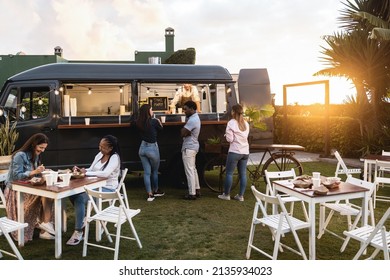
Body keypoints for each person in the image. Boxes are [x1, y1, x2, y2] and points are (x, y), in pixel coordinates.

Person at [67, 135, 121, 245]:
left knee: (80, 198)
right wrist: (81, 170)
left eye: (103, 147)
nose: (100, 148)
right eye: (99, 145)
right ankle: (83, 218)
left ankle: (78, 231)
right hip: (94, 185)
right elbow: (91, 169)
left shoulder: (115, 158)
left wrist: (86, 173)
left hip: (108, 188)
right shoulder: (100, 155)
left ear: (110, 148)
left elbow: (105, 174)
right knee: (72, 194)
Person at [4, 133, 55, 241]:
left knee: (49, 194)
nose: (42, 150)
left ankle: (45, 227)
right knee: (46, 195)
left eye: (44, 148)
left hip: (29, 187)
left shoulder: (35, 154)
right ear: (33, 144)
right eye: (41, 147)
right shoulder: (20, 155)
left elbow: (34, 175)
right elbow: (15, 176)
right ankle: (45, 226)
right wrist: (34, 171)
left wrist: (43, 172)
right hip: (16, 190)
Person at [218, 104, 250, 202]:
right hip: (245, 152)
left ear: (233, 112)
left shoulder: (231, 123)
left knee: (229, 173)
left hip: (235, 151)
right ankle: (240, 196)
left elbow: (230, 139)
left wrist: (226, 134)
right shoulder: (246, 123)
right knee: (243, 174)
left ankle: (226, 195)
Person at [136, 104, 164, 202]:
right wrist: (160, 122)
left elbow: (132, 124)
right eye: (151, 110)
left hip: (142, 148)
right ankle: (155, 190)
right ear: (148, 111)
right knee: (155, 171)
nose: (153, 112)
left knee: (147, 173)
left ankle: (149, 194)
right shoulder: (154, 121)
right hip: (152, 148)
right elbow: (161, 129)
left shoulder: (138, 122)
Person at [181, 100, 201, 200]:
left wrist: (185, 131)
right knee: (193, 169)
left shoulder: (192, 120)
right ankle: (197, 189)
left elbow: (183, 132)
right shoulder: (194, 118)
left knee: (189, 170)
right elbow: (185, 132)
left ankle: (191, 193)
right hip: (193, 146)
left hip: (189, 146)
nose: (184, 111)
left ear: (192, 109)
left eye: (186, 109)